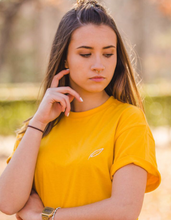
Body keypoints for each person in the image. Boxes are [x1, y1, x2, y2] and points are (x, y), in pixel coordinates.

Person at [0, 0, 161, 220]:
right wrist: (38, 124)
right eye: (85, 54)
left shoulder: (128, 119)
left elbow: (124, 209)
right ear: (65, 56)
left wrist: (45, 217)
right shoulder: (38, 127)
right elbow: (8, 202)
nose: (99, 65)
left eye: (108, 54)